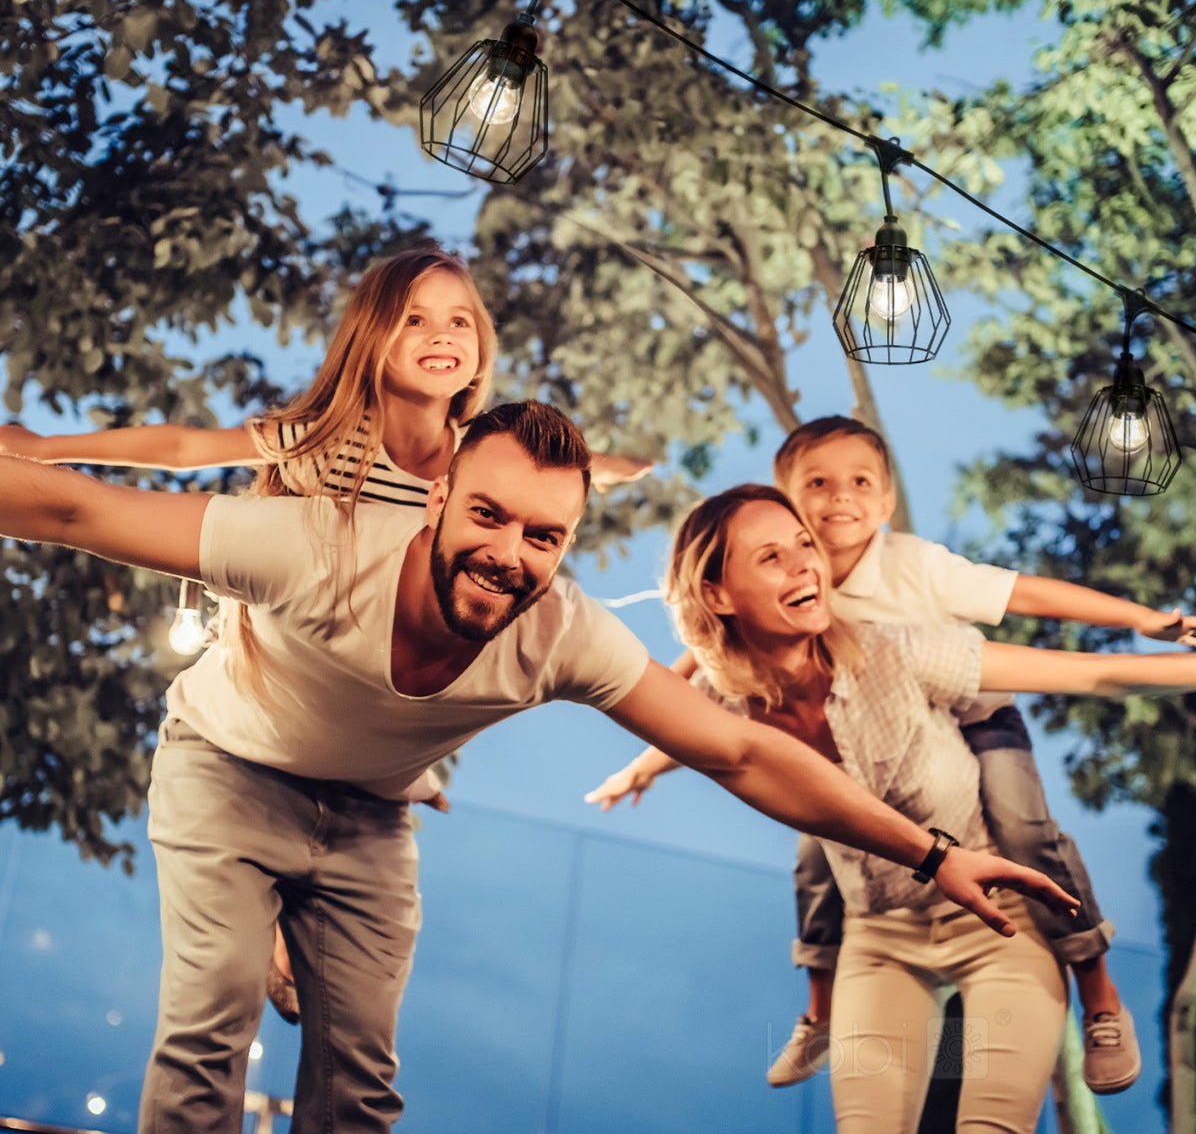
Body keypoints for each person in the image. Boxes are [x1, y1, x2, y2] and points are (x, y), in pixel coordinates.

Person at [0, 401, 1078, 1134]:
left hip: (373, 814)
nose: (509, 553)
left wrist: (933, 853)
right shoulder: (312, 545)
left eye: (543, 536)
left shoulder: (558, 630)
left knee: (362, 1085)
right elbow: (74, 508)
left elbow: (741, 752)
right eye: (487, 515)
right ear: (434, 501)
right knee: (212, 1023)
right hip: (232, 765)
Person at [0, 244, 649, 1023]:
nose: (442, 334)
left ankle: (324, 898)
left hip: (378, 693)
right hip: (289, 657)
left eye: (459, 321)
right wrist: (42, 448)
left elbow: (564, 471)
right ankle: (274, 937)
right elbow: (181, 449)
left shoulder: (483, 455)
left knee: (444, 679)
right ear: (371, 338)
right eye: (414, 319)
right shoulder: (327, 435)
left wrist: (610, 465)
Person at [591, 414, 1196, 1096]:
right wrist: (644, 762)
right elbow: (702, 673)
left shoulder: (910, 579)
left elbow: (1036, 611)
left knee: (1022, 823)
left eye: (860, 483)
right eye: (816, 488)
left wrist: (1143, 622)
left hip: (972, 709)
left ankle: (1098, 987)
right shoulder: (777, 604)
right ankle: (820, 1015)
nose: (836, 504)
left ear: (886, 501)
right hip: (881, 890)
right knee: (814, 855)